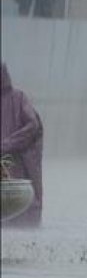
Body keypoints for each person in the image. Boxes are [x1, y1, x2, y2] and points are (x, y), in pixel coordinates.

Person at [1, 62, 44, 227]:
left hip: (16, 166)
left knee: (18, 212)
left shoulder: (18, 98)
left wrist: (8, 144)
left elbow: (33, 126)